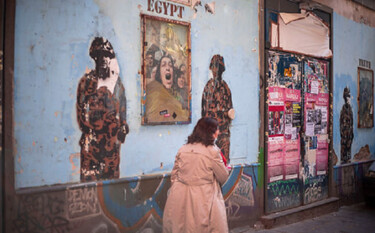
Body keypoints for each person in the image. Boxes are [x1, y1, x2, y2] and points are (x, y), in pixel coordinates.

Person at [163, 117, 229, 233]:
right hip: (204, 197)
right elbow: (223, 177)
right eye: (217, 129)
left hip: (179, 196)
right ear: (211, 132)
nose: (218, 132)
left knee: (180, 227)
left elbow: (174, 175)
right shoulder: (212, 151)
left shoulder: (183, 149)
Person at [76, 37, 129, 181]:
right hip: (92, 148)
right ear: (95, 58)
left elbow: (123, 110)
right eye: (101, 55)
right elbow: (81, 115)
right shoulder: (86, 82)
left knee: (111, 190)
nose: (104, 59)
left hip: (111, 148)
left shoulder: (117, 85)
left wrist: (123, 127)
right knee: (90, 187)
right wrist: (97, 127)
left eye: (107, 55)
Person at [202, 55, 234, 163]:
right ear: (211, 68)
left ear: (222, 70)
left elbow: (231, 111)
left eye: (218, 67)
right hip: (210, 134)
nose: (216, 70)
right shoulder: (208, 87)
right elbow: (203, 111)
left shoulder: (225, 88)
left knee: (224, 163)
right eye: (214, 67)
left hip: (223, 133)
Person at [145, 54, 189, 123]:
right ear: (159, 74)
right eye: (163, 65)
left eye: (170, 65)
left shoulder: (177, 94)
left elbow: (179, 115)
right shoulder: (154, 93)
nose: (168, 68)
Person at [340, 87, 354, 164]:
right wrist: (343, 134)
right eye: (347, 96)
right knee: (344, 155)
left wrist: (351, 133)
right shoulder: (343, 109)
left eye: (349, 96)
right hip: (345, 136)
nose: (348, 98)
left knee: (348, 155)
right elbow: (341, 123)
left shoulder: (350, 109)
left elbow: (351, 122)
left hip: (349, 135)